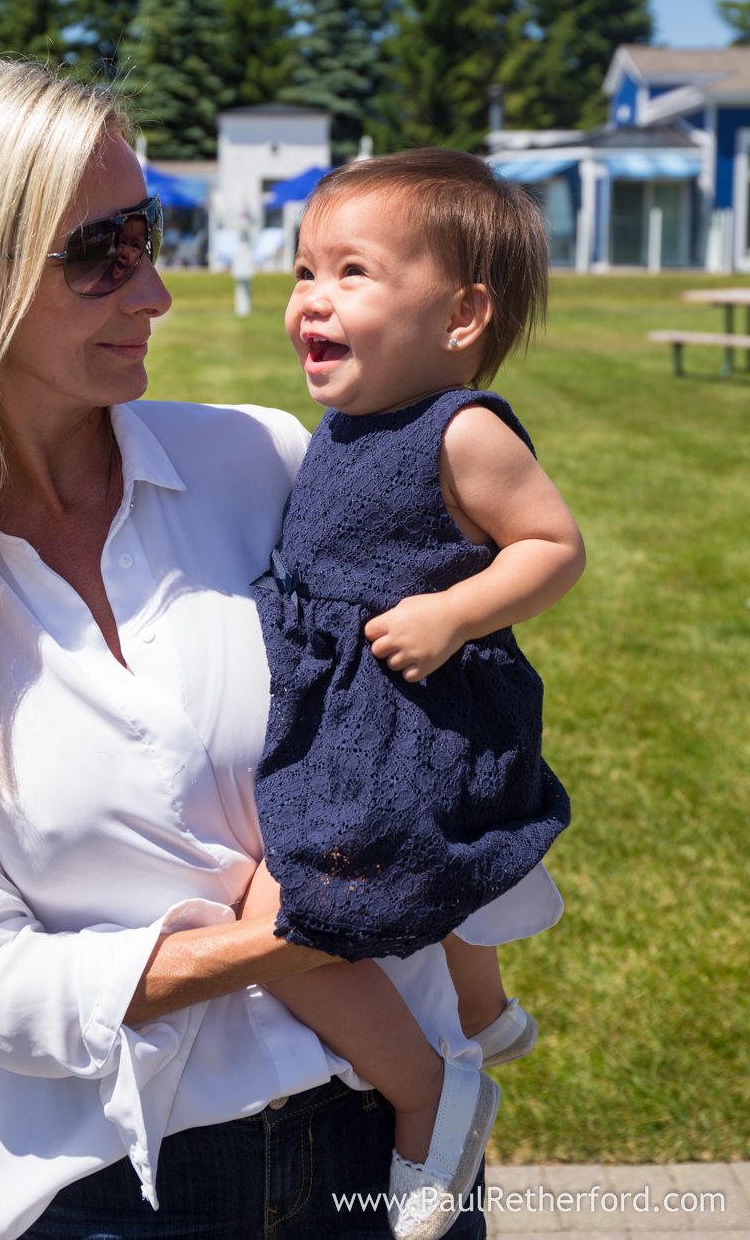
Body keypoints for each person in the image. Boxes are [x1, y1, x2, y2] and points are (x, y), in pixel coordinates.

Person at [0, 61, 492, 1240]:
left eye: (151, 232)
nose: (157, 292)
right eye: (102, 252)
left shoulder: (263, 462)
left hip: (384, 1143)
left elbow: (447, 696)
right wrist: (267, 937)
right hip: (116, 1189)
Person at [247, 150, 585, 1239]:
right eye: (306, 272)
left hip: (417, 703)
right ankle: (481, 1018)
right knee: (412, 868)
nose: (313, 299)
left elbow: (552, 546)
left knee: (335, 886)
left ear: (460, 313)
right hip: (346, 695)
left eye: (352, 273)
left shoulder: (464, 430)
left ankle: (433, 1092)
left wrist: (454, 613)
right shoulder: (345, 425)